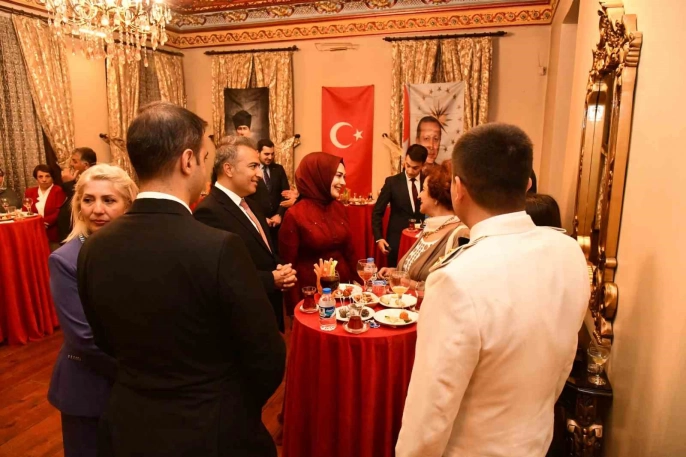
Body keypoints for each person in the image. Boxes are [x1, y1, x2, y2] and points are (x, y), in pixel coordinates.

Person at [77, 101, 286, 457]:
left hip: (129, 427)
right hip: (209, 430)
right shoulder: (219, 247)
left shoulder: (94, 247)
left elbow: (105, 342)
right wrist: (232, 405)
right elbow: (267, 355)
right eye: (205, 158)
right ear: (188, 161)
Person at [395, 123, 590, 457]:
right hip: (535, 442)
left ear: (458, 189)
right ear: (527, 185)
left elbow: (429, 415)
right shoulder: (569, 251)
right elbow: (562, 364)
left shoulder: (455, 280)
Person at [48, 164, 138, 457]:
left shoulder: (140, 251)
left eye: (109, 200)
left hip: (136, 393)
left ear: (129, 205)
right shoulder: (66, 260)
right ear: (78, 206)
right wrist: (145, 374)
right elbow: (84, 338)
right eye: (89, 200)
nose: (98, 209)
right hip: (89, 388)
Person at [194, 136, 296, 333]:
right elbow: (218, 276)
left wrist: (281, 268)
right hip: (241, 322)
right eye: (253, 166)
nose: (259, 174)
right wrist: (270, 279)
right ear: (229, 169)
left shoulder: (251, 204)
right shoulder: (209, 211)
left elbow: (264, 251)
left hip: (265, 312)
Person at [279, 152, 356, 315]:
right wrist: (294, 310)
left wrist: (360, 285)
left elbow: (349, 252)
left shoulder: (339, 208)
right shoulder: (295, 214)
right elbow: (288, 266)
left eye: (344, 177)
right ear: (320, 176)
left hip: (343, 292)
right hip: (311, 295)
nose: (343, 182)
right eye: (338, 176)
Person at [378, 161, 469, 286]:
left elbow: (450, 288)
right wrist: (395, 272)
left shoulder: (460, 234)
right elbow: (416, 272)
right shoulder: (431, 228)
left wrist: (409, 284)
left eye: (423, 190)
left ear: (436, 197)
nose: (419, 196)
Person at [373, 144, 428, 267]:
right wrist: (379, 238)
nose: (410, 171)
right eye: (407, 165)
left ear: (423, 165)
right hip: (396, 242)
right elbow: (377, 212)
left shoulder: (428, 182)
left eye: (415, 168)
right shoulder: (392, 182)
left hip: (421, 242)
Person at [250, 138, 291, 246]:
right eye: (266, 154)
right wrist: (261, 218)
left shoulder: (278, 169)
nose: (270, 157)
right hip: (259, 223)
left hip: (278, 223)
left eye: (272, 154)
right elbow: (248, 198)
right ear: (258, 152)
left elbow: (286, 194)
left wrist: (279, 214)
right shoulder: (251, 171)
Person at [58, 147, 97, 242]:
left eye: (74, 161)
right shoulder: (80, 178)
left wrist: (68, 183)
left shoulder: (94, 179)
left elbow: (78, 201)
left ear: (86, 165)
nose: (71, 164)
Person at [24, 164, 66, 247]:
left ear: (52, 177)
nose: (44, 179)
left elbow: (59, 211)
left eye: (47, 176)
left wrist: (42, 223)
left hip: (53, 233)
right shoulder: (29, 192)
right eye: (40, 177)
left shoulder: (58, 190)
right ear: (36, 178)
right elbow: (25, 211)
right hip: (34, 232)